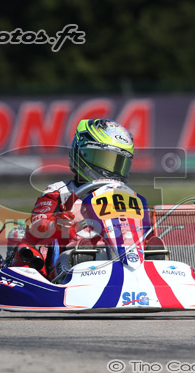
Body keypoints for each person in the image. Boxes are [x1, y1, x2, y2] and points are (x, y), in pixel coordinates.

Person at [22, 118, 135, 279]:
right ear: (82, 153)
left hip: (122, 259)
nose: (110, 170)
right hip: (73, 262)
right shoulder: (60, 192)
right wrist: (57, 225)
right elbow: (37, 226)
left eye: (117, 163)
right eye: (104, 160)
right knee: (24, 243)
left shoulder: (126, 196)